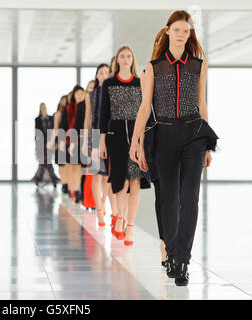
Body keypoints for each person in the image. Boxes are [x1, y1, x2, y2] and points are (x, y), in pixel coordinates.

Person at [129, 10, 218, 286]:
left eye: (186, 30)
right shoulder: (154, 67)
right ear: (167, 31)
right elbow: (145, 108)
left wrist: (207, 146)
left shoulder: (199, 65)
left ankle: (182, 259)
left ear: (190, 34)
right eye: (177, 29)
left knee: (189, 196)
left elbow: (202, 104)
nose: (182, 34)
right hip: (164, 135)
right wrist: (136, 141)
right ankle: (168, 248)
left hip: (194, 134)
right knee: (168, 198)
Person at [99, 45, 151, 246]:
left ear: (132, 59)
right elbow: (103, 114)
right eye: (122, 56)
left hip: (137, 134)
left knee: (135, 180)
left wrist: (145, 138)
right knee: (120, 179)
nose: (126, 59)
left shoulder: (140, 83)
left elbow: (146, 110)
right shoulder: (109, 83)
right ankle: (119, 215)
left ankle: (130, 227)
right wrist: (101, 140)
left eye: (129, 56)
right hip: (115, 134)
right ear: (117, 60)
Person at [140, 28, 168, 266]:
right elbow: (144, 110)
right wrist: (139, 143)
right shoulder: (148, 72)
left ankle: (175, 242)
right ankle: (164, 242)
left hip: (177, 136)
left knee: (180, 194)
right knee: (162, 194)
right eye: (160, 40)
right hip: (154, 138)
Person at [83, 64, 110, 226]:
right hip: (94, 133)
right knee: (96, 173)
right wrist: (85, 139)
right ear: (96, 75)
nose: (104, 75)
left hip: (108, 134)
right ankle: (99, 210)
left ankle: (102, 201)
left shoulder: (111, 91)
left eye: (107, 72)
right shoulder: (91, 94)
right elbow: (88, 117)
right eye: (101, 72)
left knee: (106, 174)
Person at [31, 103, 60, 188]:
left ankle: (47, 180)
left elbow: (53, 129)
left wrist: (53, 141)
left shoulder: (50, 118)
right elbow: (37, 132)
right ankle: (46, 179)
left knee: (48, 161)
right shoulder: (37, 119)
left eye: (44, 107)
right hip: (42, 143)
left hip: (50, 143)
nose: (43, 108)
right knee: (43, 162)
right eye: (42, 107)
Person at [47, 96, 69, 194]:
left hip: (69, 140)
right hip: (60, 140)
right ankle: (64, 184)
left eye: (66, 100)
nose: (64, 102)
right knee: (61, 164)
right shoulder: (58, 114)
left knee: (68, 164)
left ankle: (68, 184)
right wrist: (53, 142)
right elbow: (55, 129)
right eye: (62, 101)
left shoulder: (70, 112)